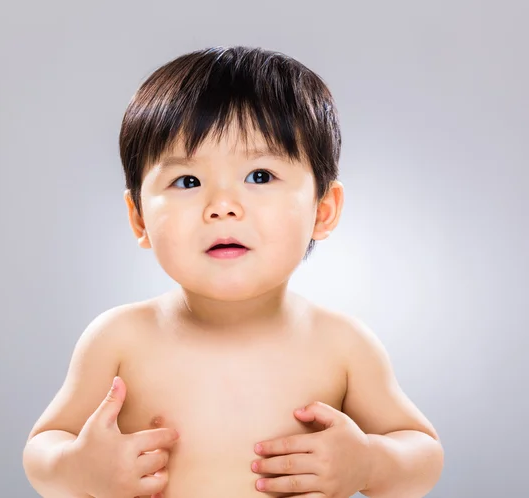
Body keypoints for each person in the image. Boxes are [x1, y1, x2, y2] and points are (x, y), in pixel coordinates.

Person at [22, 45, 444, 498]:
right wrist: (78, 467)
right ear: (139, 217)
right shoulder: (119, 339)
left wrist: (368, 462)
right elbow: (44, 446)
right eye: (187, 181)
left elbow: (421, 451)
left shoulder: (341, 344)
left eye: (260, 176)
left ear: (323, 210)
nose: (222, 207)